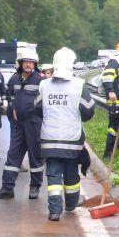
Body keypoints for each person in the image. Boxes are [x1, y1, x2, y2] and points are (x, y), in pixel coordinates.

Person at [34, 47, 95, 221]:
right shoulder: (79, 85)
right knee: (71, 173)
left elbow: (37, 107)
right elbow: (88, 110)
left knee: (53, 175)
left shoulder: (44, 85)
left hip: (49, 139)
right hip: (72, 140)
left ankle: (54, 211)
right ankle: (71, 203)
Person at [0, 44, 45, 200]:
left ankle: (35, 187)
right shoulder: (14, 79)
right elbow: (10, 97)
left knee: (35, 156)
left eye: (31, 62)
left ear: (35, 64)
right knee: (13, 155)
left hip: (34, 125)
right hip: (18, 125)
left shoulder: (41, 80)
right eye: (25, 61)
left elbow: (44, 103)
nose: (28, 64)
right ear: (20, 63)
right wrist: (12, 109)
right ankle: (7, 188)